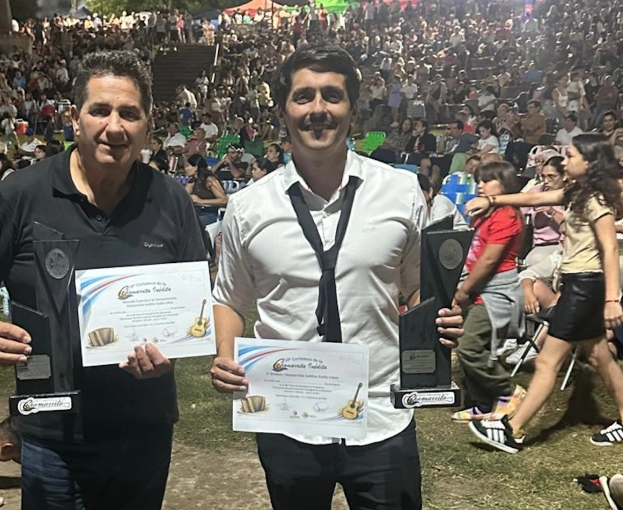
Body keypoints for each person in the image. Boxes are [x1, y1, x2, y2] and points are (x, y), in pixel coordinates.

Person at [209, 43, 464, 510]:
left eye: (332, 95)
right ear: (283, 112)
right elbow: (228, 297)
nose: (318, 109)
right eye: (303, 96)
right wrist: (225, 355)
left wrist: (439, 318)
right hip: (286, 416)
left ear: (353, 111)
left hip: (382, 413)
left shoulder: (401, 191)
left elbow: (417, 288)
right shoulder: (247, 207)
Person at [0, 50, 206, 510]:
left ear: (148, 125)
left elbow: (192, 304)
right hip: (51, 429)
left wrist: (174, 348)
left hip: (143, 424)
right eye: (100, 110)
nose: (114, 127)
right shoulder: (22, 193)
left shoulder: (170, 200)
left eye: (129, 114)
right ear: (74, 118)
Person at [465, 133, 623, 453]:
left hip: (585, 287)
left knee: (547, 361)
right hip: (581, 285)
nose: (565, 161)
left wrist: (611, 299)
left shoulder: (596, 201)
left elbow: (609, 249)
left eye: (572, 156)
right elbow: (534, 200)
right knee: (601, 358)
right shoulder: (578, 192)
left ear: (590, 163)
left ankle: (513, 430)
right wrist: (493, 201)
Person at [449, 162, 526, 424]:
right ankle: (481, 404)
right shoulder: (484, 212)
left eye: (488, 180)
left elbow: (490, 260)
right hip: (476, 287)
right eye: (479, 180)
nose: (480, 185)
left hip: (495, 291)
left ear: (505, 184)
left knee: (469, 348)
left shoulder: (507, 215)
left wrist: (464, 291)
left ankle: (508, 391)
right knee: (470, 346)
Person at [185, 154, 227, 225]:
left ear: (195, 167)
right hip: (197, 211)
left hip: (210, 212)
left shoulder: (209, 180)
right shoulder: (192, 181)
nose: (186, 169)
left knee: (192, 223)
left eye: (188, 166)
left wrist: (200, 201)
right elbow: (184, 195)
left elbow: (223, 200)